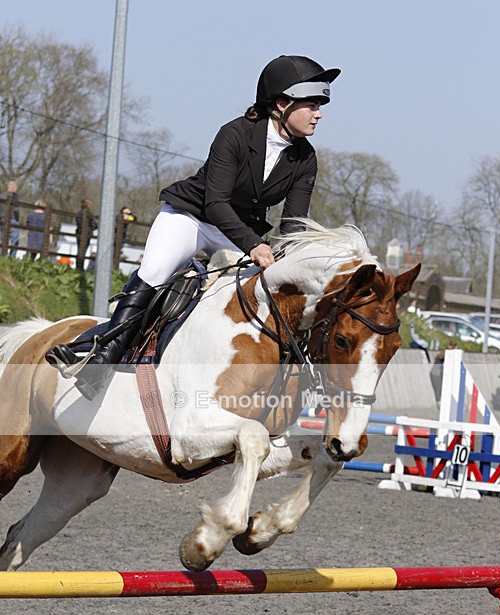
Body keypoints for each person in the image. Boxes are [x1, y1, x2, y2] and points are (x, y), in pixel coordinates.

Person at [46, 54, 341, 399]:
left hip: (237, 233)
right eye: (311, 105)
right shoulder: (235, 134)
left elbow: (293, 226)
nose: (319, 113)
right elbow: (215, 203)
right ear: (281, 104)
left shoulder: (306, 158)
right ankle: (101, 355)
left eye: (320, 105)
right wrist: (254, 245)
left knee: (260, 295)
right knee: (156, 270)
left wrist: (292, 262)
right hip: (193, 217)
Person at [75, 197, 98, 270]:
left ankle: (79, 266)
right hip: (86, 234)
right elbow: (94, 224)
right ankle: (80, 267)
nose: (91, 204)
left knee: (80, 250)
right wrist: (90, 228)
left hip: (80, 233)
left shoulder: (79, 213)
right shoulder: (88, 214)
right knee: (82, 251)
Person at [0, 180, 20, 256]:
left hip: (1, 219)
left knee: (2, 239)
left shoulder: (1, 195)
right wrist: (17, 220)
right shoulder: (14, 196)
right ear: (13, 187)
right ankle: (12, 257)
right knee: (15, 239)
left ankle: (1, 257)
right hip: (12, 219)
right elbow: (16, 210)